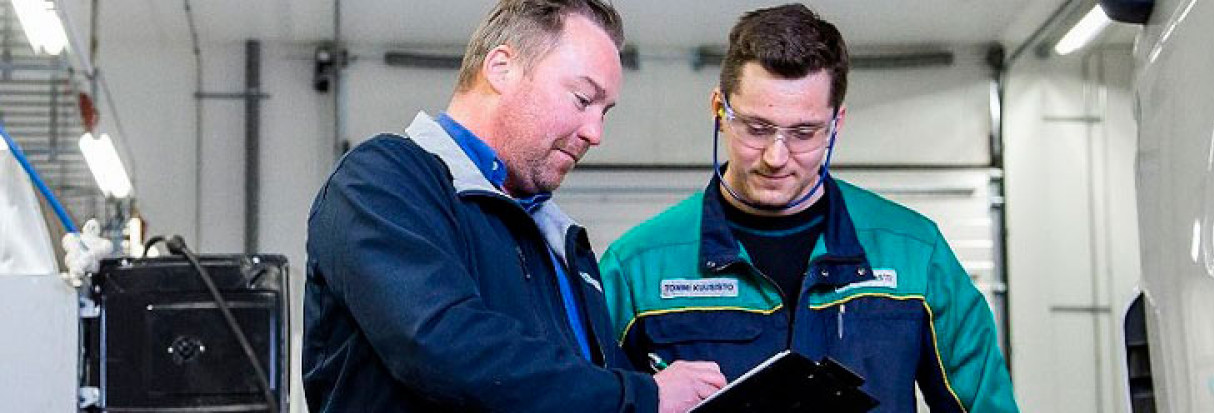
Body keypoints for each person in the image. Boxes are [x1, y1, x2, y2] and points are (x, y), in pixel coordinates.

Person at [303, 0, 726, 411]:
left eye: (604, 112)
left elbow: (585, 386)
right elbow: (443, 344)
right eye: (582, 99)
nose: (595, 133)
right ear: (501, 67)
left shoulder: (561, 243)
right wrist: (643, 396)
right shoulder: (383, 180)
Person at [598, 4, 1018, 412]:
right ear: (719, 111)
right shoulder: (638, 267)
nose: (776, 157)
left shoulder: (915, 253)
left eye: (803, 133)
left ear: (836, 125)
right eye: (757, 128)